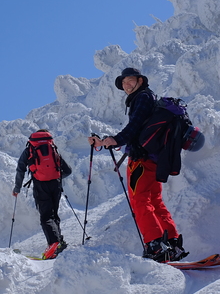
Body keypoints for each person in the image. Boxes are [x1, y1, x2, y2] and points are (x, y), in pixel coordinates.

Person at [88, 68, 188, 262]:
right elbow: (141, 129)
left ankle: (155, 245)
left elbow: (134, 127)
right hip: (153, 160)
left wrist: (116, 140)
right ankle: (172, 243)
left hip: (141, 161)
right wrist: (108, 142)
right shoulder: (149, 98)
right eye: (124, 83)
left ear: (140, 80)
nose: (127, 85)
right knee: (155, 201)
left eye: (130, 80)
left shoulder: (142, 98)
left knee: (139, 200)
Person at [13, 130, 72, 259]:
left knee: (46, 216)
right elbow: (68, 170)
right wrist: (57, 177)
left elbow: (20, 169)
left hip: (40, 185)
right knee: (53, 215)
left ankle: (54, 244)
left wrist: (17, 188)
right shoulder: (52, 148)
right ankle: (59, 243)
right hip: (55, 184)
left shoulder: (30, 149)